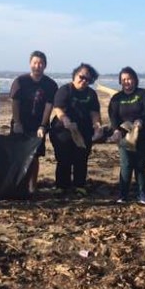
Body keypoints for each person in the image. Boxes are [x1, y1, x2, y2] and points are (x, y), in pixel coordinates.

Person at [49, 63, 104, 194]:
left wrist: (97, 126)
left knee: (81, 158)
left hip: (84, 131)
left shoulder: (91, 94)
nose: (84, 81)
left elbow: (95, 113)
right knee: (63, 159)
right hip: (63, 130)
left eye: (88, 79)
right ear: (75, 75)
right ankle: (61, 186)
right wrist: (65, 119)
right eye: (82, 77)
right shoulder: (65, 90)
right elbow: (58, 108)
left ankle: (79, 186)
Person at [10, 50, 59, 194]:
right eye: (35, 63)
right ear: (30, 64)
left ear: (45, 65)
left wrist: (43, 125)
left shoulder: (50, 84)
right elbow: (15, 102)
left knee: (34, 156)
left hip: (37, 125)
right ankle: (17, 185)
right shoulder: (20, 81)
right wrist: (17, 123)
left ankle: (32, 186)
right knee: (18, 154)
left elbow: (49, 106)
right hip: (20, 123)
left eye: (40, 63)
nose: (37, 66)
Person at [108, 66, 145, 204]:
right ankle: (123, 194)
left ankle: (142, 194)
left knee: (140, 165)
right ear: (120, 82)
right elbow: (113, 116)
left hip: (142, 134)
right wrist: (116, 130)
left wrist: (140, 120)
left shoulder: (143, 94)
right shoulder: (117, 98)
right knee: (126, 164)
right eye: (123, 80)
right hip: (124, 136)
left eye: (129, 79)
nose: (126, 82)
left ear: (134, 79)